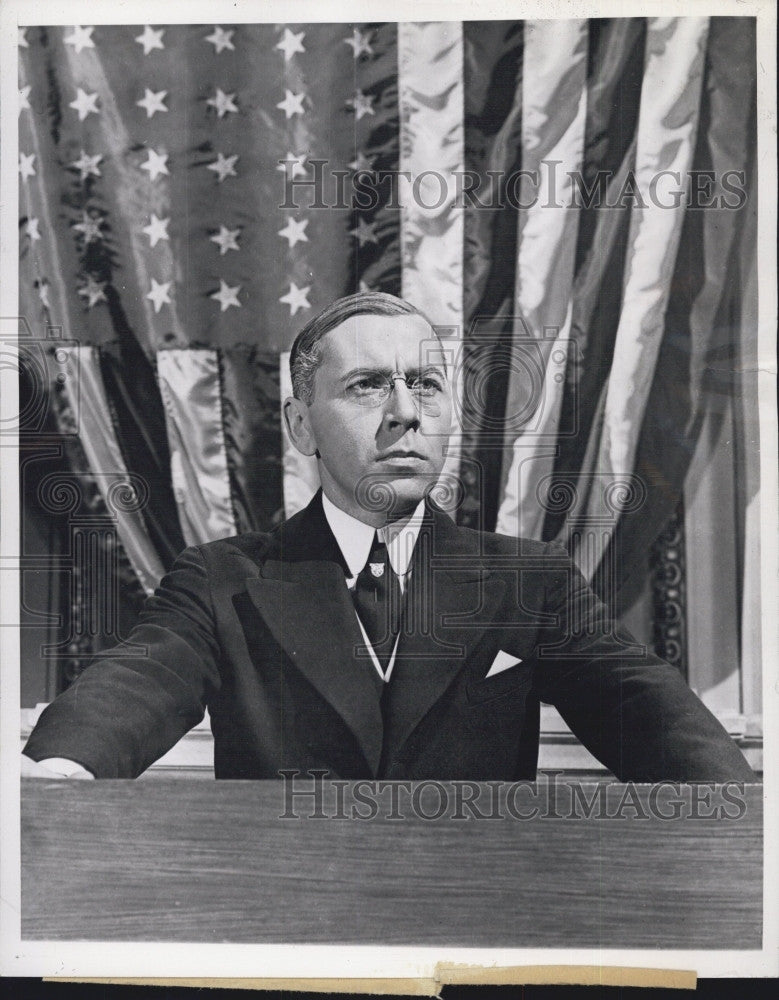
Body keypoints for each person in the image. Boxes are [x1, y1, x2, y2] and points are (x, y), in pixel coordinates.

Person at [22, 292, 754, 781]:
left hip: (474, 938)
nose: (405, 412)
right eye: (368, 384)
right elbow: (136, 682)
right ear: (300, 424)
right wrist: (61, 775)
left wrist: (733, 803)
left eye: (426, 386)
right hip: (290, 943)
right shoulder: (221, 580)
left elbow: (647, 708)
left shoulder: (530, 581)